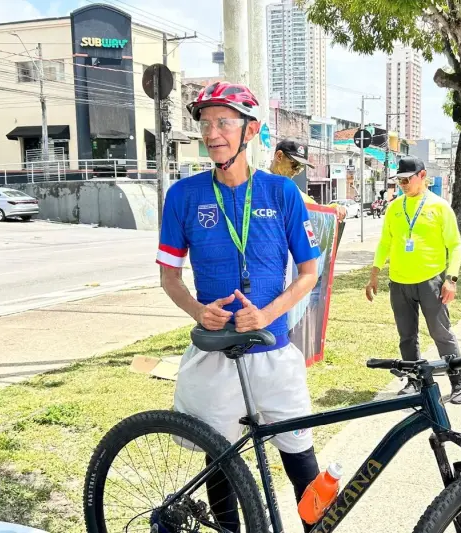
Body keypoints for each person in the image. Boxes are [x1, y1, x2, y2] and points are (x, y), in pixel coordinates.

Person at [158, 81, 321, 532]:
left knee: (302, 463)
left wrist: (268, 314)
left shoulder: (281, 193)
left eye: (224, 122)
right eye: (206, 123)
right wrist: (197, 310)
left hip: (274, 352)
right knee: (222, 466)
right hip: (217, 354)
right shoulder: (183, 196)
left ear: (250, 131)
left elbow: (309, 273)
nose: (212, 133)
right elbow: (169, 277)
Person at [364, 156, 461, 404]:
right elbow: (385, 242)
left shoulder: (439, 207)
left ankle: (459, 380)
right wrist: (374, 274)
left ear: (422, 176)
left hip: (430, 280)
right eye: (399, 180)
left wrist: (451, 279)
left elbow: (454, 245)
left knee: (440, 333)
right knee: (407, 335)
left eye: (406, 179)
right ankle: (414, 380)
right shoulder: (394, 208)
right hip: (399, 283)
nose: (402, 183)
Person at [271, 138, 348, 222]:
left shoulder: (289, 186)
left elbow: (313, 207)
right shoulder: (259, 182)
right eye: (294, 165)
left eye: (301, 167)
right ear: (279, 156)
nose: (296, 172)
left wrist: (336, 209)